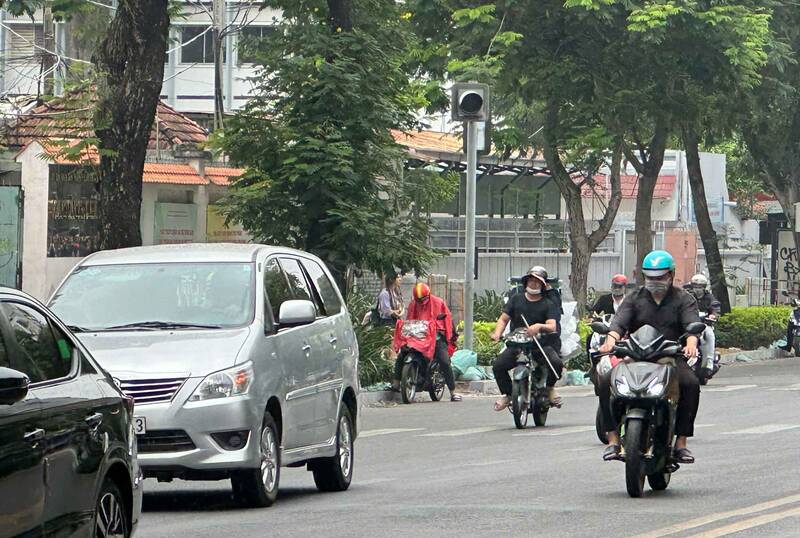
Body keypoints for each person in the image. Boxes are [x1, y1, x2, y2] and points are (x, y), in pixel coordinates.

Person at [597, 250, 701, 463]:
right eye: (650, 277)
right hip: (635, 356)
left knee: (690, 384)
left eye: (660, 277)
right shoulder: (634, 297)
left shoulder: (684, 299)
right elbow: (619, 323)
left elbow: (692, 327)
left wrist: (691, 344)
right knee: (606, 380)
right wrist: (610, 340)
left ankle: (681, 443)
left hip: (669, 357)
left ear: (671, 275)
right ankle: (613, 439)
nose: (655, 282)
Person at [490, 268, 564, 411]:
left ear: (543, 285)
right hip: (517, 345)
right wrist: (497, 333)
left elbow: (552, 326)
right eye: (531, 280)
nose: (534, 284)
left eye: (537, 282)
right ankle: (508, 394)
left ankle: (550, 388)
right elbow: (503, 319)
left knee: (556, 363)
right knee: (498, 366)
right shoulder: (516, 299)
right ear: (526, 282)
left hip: (539, 345)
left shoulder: (548, 303)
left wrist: (538, 326)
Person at [391, 283, 462, 402]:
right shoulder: (413, 304)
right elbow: (410, 321)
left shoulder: (438, 303)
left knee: (444, 361)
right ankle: (396, 384)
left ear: (428, 295)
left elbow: (447, 319)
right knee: (402, 355)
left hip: (436, 337)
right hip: (417, 338)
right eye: (419, 300)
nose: (421, 302)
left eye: (423, 299)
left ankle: (453, 392)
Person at [686, 273, 721, 374]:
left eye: (700, 287)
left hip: (704, 324)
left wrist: (713, 315)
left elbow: (715, 307)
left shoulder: (709, 297)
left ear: (704, 287)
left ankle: (709, 360)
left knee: (709, 333)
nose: (697, 289)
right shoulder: (688, 296)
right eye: (695, 286)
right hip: (689, 323)